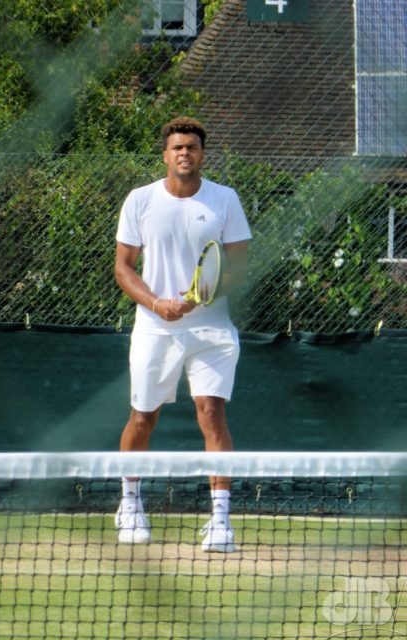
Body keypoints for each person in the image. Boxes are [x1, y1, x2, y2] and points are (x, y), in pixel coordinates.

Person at [114, 116, 252, 552]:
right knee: (143, 417)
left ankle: (221, 521)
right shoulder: (140, 201)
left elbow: (240, 268)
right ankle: (130, 504)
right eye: (177, 147)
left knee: (211, 414)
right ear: (165, 154)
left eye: (192, 147)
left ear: (201, 154)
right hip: (155, 326)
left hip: (211, 327)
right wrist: (157, 303)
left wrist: (203, 297)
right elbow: (123, 268)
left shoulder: (225, 200)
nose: (184, 154)